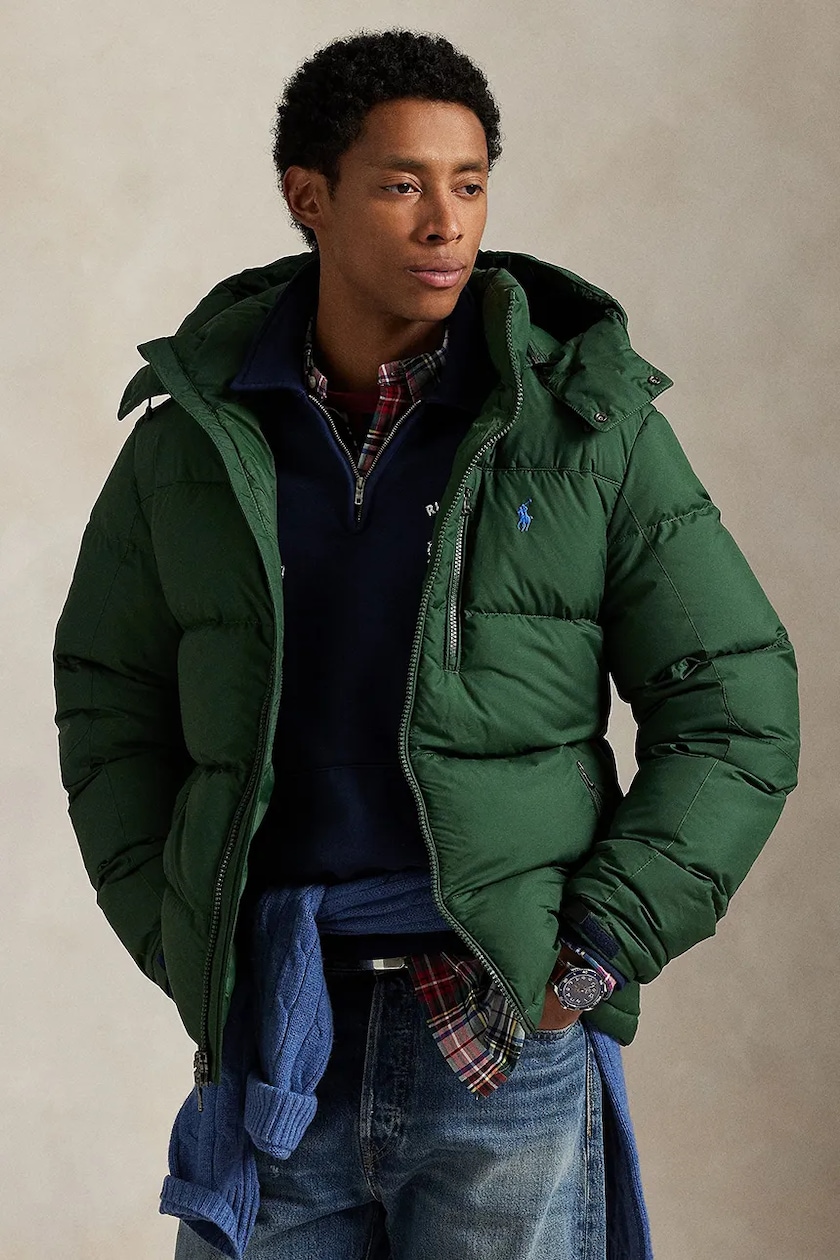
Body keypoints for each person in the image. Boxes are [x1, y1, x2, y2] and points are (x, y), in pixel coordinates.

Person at [52, 27, 800, 1260]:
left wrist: (591, 960)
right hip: (276, 1030)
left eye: (470, 183)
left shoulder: (585, 428)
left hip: (500, 1033)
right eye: (403, 184)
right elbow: (108, 701)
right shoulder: (193, 440)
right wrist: (181, 931)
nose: (447, 222)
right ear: (309, 196)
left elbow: (738, 708)